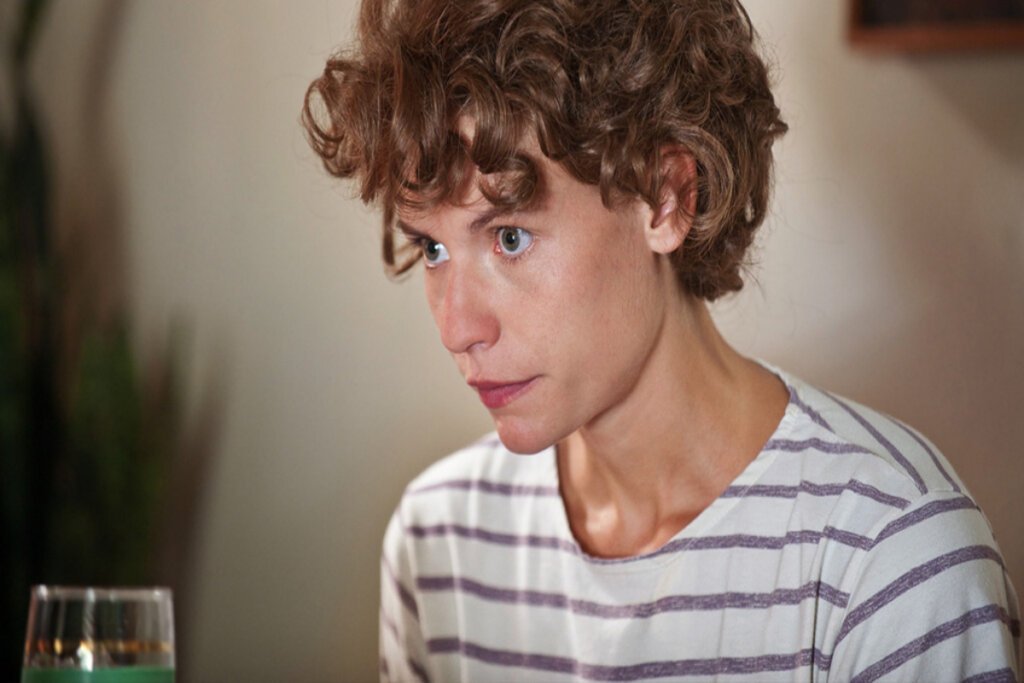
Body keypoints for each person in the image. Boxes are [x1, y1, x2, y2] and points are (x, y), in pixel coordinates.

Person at [303, 0, 1021, 680]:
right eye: (431, 249)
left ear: (666, 195)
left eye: (510, 236)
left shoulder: (891, 560)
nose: (458, 327)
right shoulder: (439, 546)